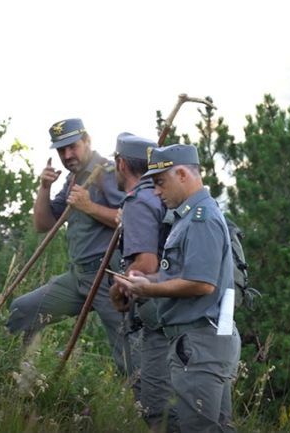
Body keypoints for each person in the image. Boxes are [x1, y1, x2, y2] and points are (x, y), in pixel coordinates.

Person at [113, 144, 241, 433]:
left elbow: (201, 283)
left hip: (199, 342)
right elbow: (183, 274)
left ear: (182, 174)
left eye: (160, 182)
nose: (157, 192)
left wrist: (149, 291)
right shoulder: (189, 216)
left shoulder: (200, 218)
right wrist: (147, 281)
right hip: (201, 341)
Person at [6, 118, 132, 375]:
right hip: (78, 277)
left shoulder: (108, 172)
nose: (67, 155)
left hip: (107, 278)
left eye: (72, 146)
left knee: (130, 355)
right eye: (61, 150)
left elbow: (131, 220)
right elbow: (43, 224)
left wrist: (90, 207)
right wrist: (44, 188)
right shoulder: (74, 178)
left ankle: (148, 399)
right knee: (23, 310)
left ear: (87, 141)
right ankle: (23, 376)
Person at [109, 133, 176, 430]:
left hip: (158, 314)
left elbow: (146, 265)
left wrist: (119, 285)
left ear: (122, 164)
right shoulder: (164, 196)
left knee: (158, 408)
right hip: (181, 312)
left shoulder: (138, 202)